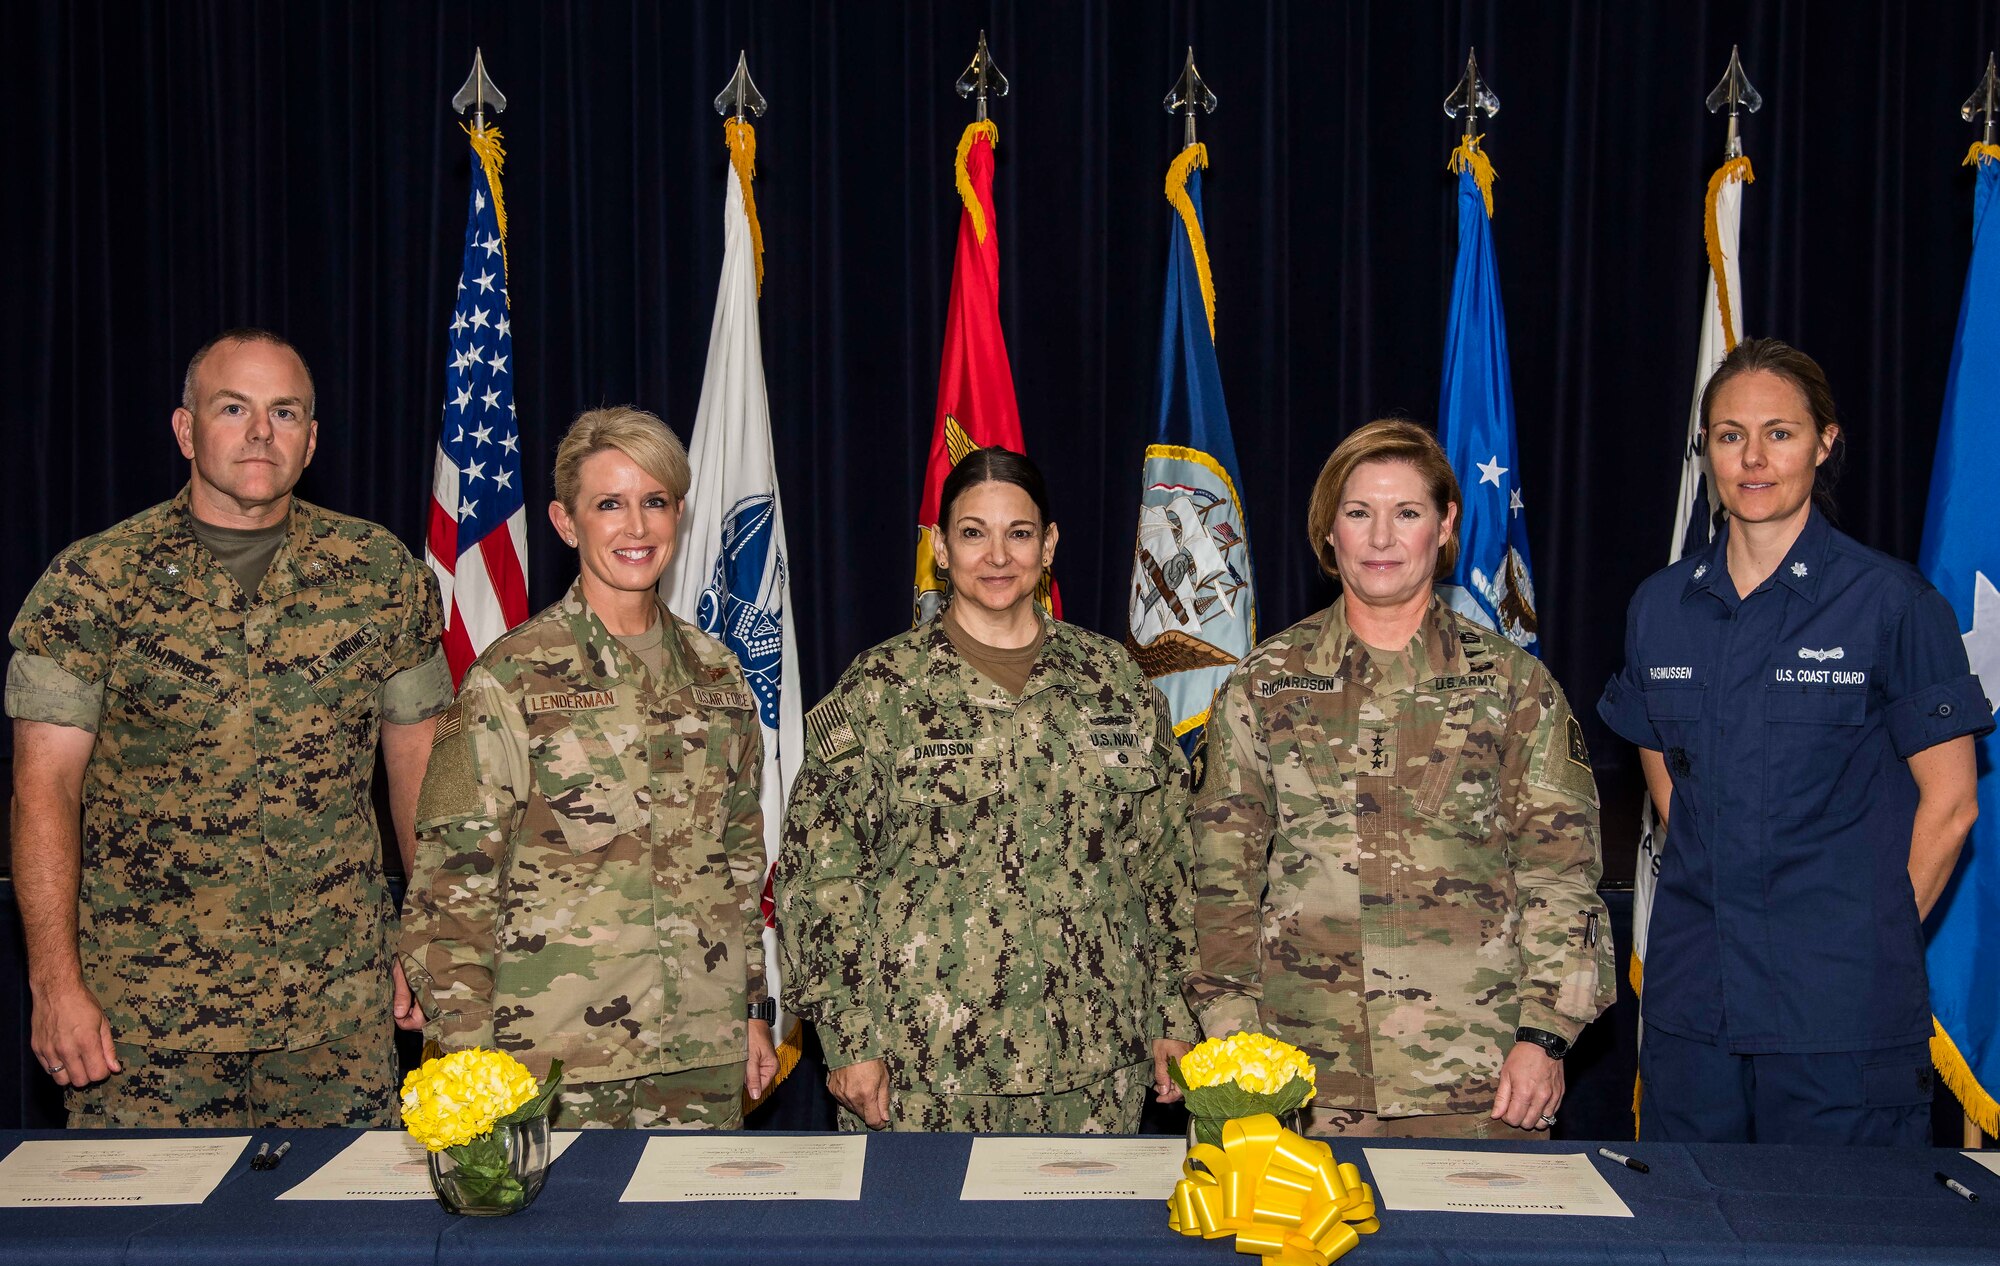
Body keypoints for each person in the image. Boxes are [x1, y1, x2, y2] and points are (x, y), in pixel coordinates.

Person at [8, 328, 451, 1127]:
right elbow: (45, 788)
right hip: (143, 1023)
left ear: (311, 440)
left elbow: (419, 771)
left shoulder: (383, 577)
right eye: (233, 408)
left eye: (285, 412)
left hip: (334, 1016)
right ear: (186, 430)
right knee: (137, 1248)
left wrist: (426, 941)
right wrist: (53, 982)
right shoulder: (95, 583)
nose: (259, 433)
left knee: (343, 1249)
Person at [1599, 338, 1989, 1146]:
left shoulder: (1891, 605)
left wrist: (1862, 942)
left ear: (1824, 443)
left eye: (1779, 432)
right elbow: (1665, 773)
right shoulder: (1660, 606)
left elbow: (1951, 808)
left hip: (1838, 1020)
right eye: (1729, 434)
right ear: (1705, 449)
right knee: (1688, 1248)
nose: (1753, 457)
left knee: (1839, 1253)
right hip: (1694, 1008)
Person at [1185, 419, 1613, 1138]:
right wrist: (1231, 1037)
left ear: (1445, 527)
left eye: (1406, 513)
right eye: (1359, 513)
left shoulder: (1512, 685)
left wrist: (1545, 1037)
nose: (1382, 538)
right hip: (1293, 1073)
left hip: (1478, 1077)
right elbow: (1216, 875)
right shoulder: (1264, 683)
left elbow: (1561, 875)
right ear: (1330, 533)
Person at [776, 447, 1196, 1133]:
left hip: (1095, 1067)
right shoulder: (881, 689)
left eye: (1019, 533)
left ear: (1050, 543)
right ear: (941, 547)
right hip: (924, 1075)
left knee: (1088, 1245)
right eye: (973, 532)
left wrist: (1173, 1013)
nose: (997, 555)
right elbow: (821, 878)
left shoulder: (1112, 680)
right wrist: (850, 1040)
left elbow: (1170, 863)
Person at [397, 406, 775, 1129]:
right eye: (610, 504)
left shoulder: (720, 677)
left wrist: (753, 1010)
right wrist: (466, 1066)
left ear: (678, 514)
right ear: (567, 523)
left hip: (702, 1055)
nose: (636, 527)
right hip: (550, 1067)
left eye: (654, 502)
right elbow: (452, 889)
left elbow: (735, 867)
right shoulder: (510, 678)